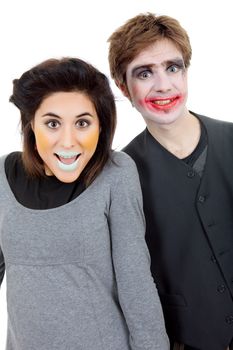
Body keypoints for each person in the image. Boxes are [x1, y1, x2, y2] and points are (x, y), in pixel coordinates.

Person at [0, 57, 169, 350]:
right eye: (52, 123)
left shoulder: (116, 173)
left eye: (82, 123)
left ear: (100, 127)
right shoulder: (2, 175)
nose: (68, 142)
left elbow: (136, 285)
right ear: (31, 125)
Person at [107, 12, 233, 350]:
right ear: (123, 87)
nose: (163, 85)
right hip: (188, 339)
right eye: (145, 73)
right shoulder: (120, 174)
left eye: (173, 67)